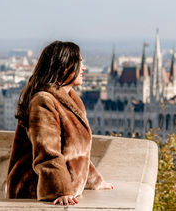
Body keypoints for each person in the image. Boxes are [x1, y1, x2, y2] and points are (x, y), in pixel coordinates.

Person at [7, 41, 112, 205]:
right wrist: (61, 190)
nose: (83, 68)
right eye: (80, 62)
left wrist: (95, 182)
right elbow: (47, 151)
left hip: (66, 193)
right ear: (64, 66)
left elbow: (77, 153)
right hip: (34, 192)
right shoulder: (43, 101)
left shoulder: (71, 101)